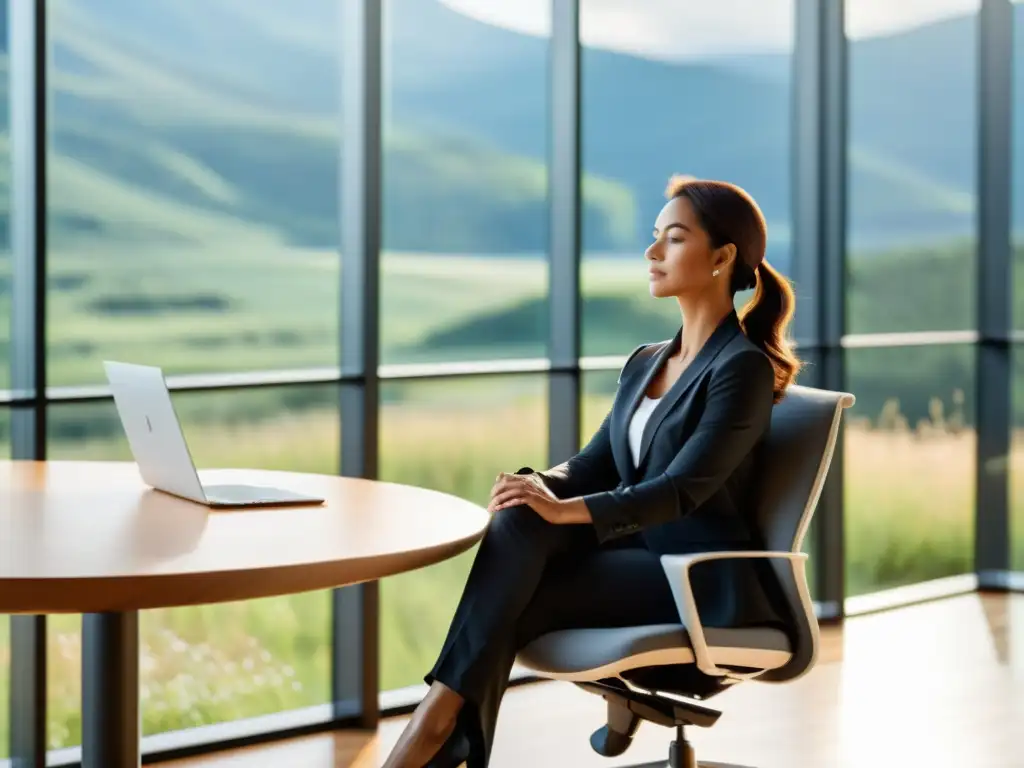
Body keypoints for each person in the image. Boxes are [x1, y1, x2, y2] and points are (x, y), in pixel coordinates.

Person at [382, 175, 803, 768]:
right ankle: (442, 730)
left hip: (695, 579)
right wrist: (541, 490)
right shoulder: (648, 361)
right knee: (521, 522)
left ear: (723, 257)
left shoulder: (741, 369)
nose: (652, 253)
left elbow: (683, 490)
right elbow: (594, 465)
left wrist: (561, 509)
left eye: (673, 239)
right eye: (654, 237)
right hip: (634, 557)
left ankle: (436, 731)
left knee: (510, 600)